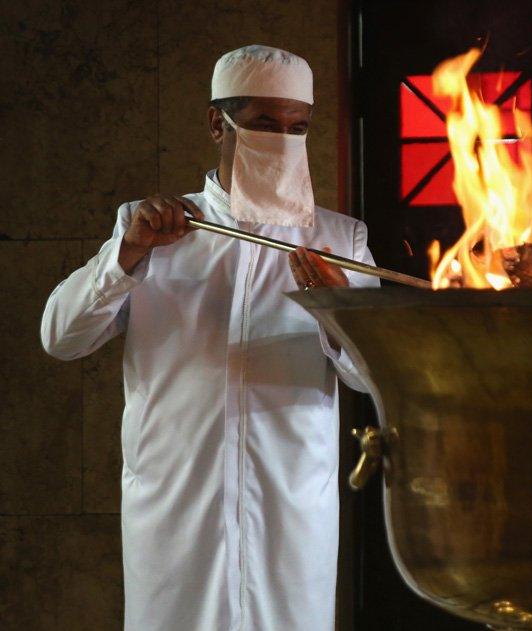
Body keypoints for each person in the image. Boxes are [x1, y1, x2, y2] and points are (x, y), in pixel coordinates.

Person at [40, 45, 376, 630]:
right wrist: (127, 256)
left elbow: (374, 376)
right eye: (265, 124)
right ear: (216, 123)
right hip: (174, 503)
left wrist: (335, 304)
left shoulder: (340, 240)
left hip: (290, 504)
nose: (284, 140)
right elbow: (60, 337)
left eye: (298, 128)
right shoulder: (152, 226)